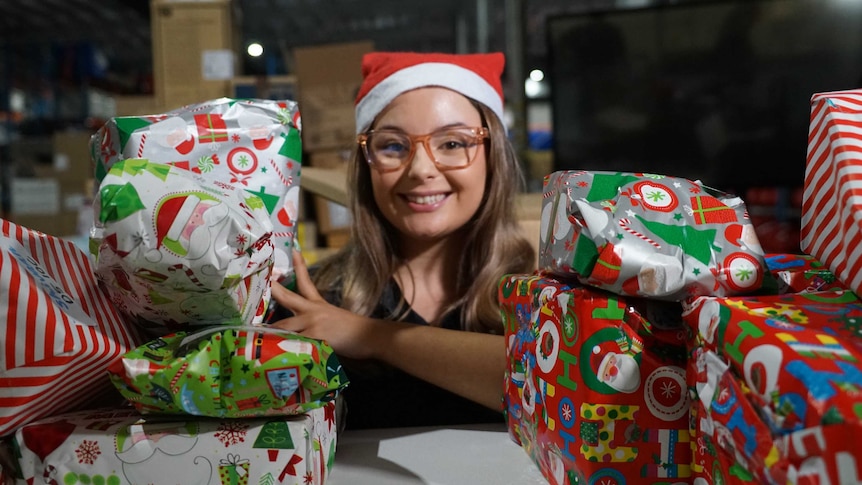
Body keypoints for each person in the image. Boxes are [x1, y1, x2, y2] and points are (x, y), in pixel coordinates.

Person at [268, 51, 536, 429]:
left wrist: (368, 336)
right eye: (393, 146)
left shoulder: (542, 298)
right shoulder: (316, 300)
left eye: (454, 143)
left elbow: (546, 385)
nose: (422, 169)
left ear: (494, 157)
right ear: (367, 166)